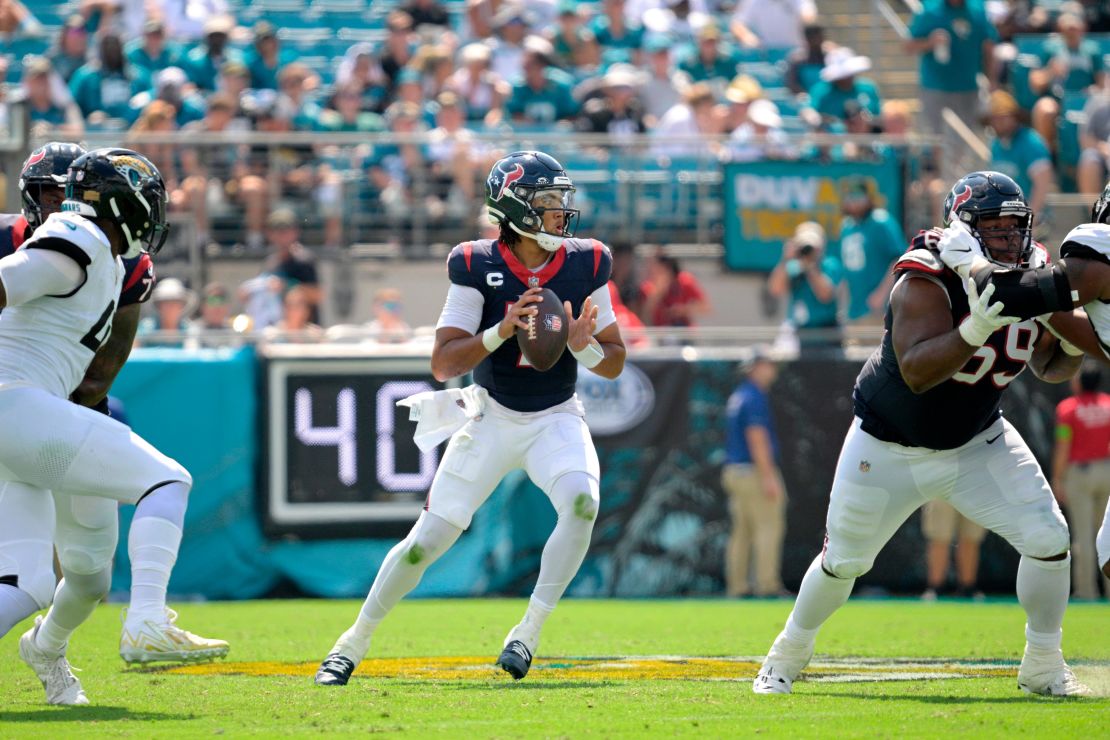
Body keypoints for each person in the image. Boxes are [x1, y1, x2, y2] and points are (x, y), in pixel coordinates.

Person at [754, 171, 1090, 698]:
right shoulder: (925, 274)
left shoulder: (1032, 271)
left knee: (1049, 539)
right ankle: (785, 655)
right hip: (888, 443)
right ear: (964, 228)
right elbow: (915, 370)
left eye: (1014, 225)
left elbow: (1049, 365)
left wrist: (1070, 338)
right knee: (844, 561)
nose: (1007, 236)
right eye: (994, 226)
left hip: (978, 440)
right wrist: (974, 330)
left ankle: (1044, 664)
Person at [314, 150, 626, 686]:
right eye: (549, 201)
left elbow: (616, 360)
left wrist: (586, 349)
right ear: (516, 208)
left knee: (582, 503)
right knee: (424, 544)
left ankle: (528, 632)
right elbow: (443, 362)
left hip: (555, 416)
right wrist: (500, 331)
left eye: (560, 201)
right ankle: (352, 642)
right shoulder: (475, 263)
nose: (561, 213)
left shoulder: (587, 261)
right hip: (492, 417)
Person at [0, 149, 225, 706]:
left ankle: (46, 650)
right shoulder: (79, 234)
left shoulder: (102, 251)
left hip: (35, 413)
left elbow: (101, 364)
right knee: (166, 481)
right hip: (16, 403)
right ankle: (148, 619)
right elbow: (10, 280)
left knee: (32, 583)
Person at [721, 348, 787, 598]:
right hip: (752, 472)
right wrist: (769, 477)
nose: (772, 369)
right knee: (768, 527)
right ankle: (767, 585)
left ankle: (737, 586)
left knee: (742, 532)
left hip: (734, 472)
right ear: (755, 368)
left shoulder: (739, 395)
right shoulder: (754, 397)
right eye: (768, 364)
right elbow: (756, 437)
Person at [1053, 364, 1110, 600]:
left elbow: (1063, 446)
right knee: (1108, 536)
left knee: (1083, 537)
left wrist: (1057, 478)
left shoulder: (1068, 408)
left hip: (1080, 474)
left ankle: (1086, 592)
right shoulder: (1109, 405)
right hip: (1107, 471)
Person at [905, 0, 998, 136]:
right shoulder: (929, 10)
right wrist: (930, 43)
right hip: (934, 88)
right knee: (933, 139)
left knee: (963, 141)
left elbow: (988, 46)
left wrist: (992, 79)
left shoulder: (978, 10)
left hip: (967, 87)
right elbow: (908, 46)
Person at [837, 177, 906, 325]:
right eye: (850, 198)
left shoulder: (881, 222)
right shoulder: (846, 227)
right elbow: (846, 269)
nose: (854, 202)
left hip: (878, 309)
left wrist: (882, 293)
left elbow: (899, 259)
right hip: (854, 309)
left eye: (858, 197)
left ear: (868, 198)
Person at [767, 221, 843, 350]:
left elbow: (825, 295)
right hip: (798, 332)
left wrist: (810, 268)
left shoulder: (830, 265)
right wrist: (786, 259)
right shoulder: (793, 267)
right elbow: (775, 290)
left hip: (826, 334)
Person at [986, 91, 1053, 221]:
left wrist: (1030, 219)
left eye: (1003, 118)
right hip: (1006, 219)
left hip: (1032, 220)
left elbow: (1043, 185)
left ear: (1015, 117)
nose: (998, 123)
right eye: (994, 118)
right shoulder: (996, 145)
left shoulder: (1032, 143)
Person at [920, 500, 985, 600]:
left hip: (975, 490)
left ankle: (968, 589)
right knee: (939, 537)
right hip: (942, 488)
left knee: (971, 538)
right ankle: (935, 589)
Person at [638, 252, 710, 328]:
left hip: (682, 330)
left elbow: (705, 307)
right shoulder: (648, 286)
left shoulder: (684, 281)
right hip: (659, 330)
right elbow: (645, 315)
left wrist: (683, 310)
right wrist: (659, 291)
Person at [137, 278, 195, 348]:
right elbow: (134, 351)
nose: (170, 307)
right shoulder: (146, 327)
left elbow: (192, 352)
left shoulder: (189, 329)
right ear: (158, 306)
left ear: (182, 305)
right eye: (166, 302)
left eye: (175, 302)